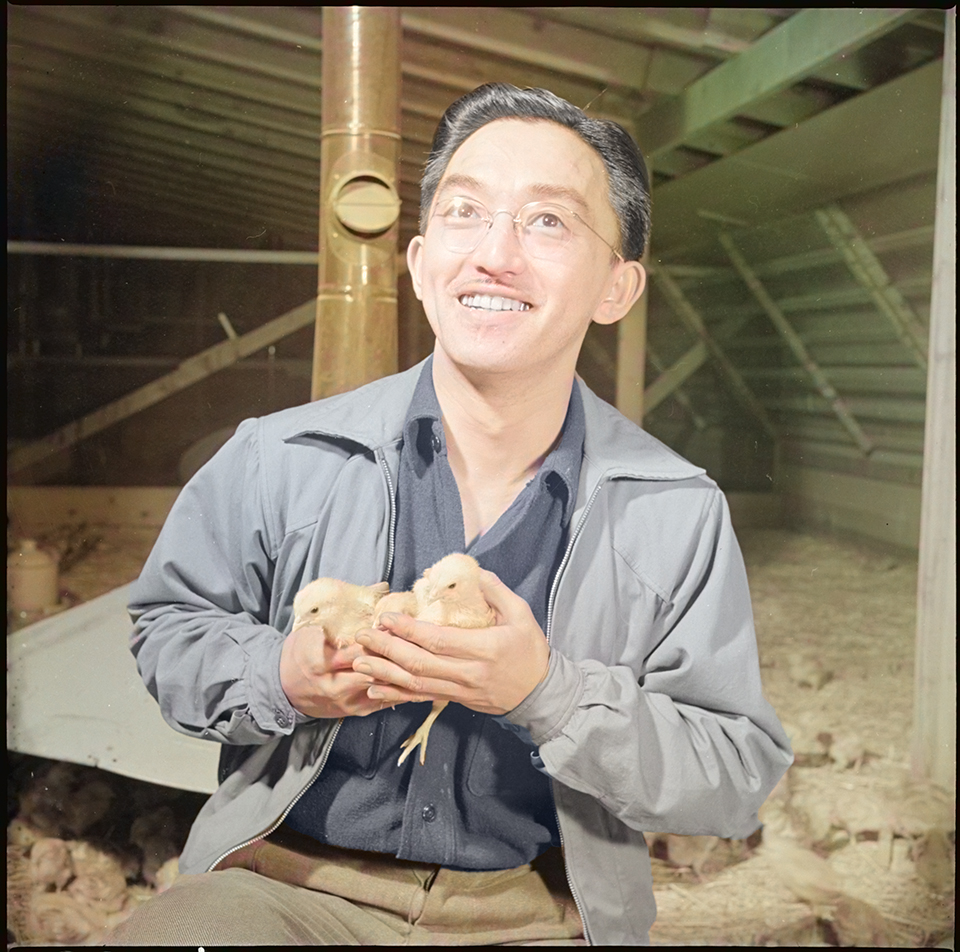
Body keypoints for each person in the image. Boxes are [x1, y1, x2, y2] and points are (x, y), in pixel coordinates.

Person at [110, 83, 792, 946]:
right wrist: (282, 674)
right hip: (282, 885)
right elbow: (166, 630)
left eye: (547, 221)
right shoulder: (276, 458)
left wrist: (549, 694)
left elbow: (735, 775)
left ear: (617, 287)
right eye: (466, 212)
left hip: (533, 912)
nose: (495, 254)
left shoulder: (675, 511)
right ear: (423, 266)